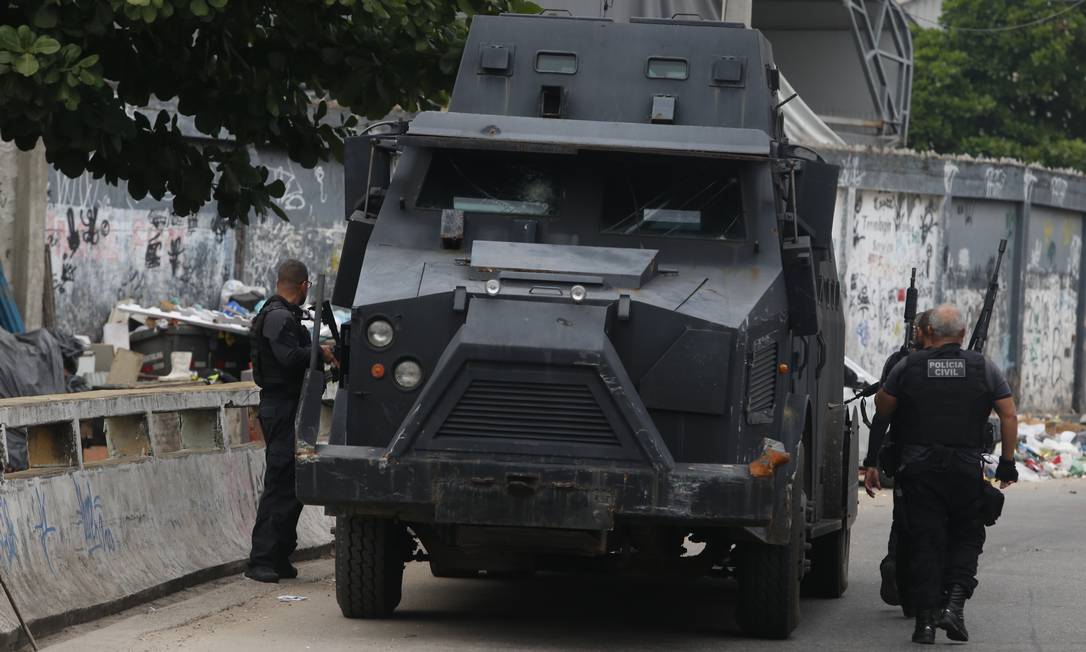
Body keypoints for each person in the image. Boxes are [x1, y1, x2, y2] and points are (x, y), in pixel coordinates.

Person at [867, 303, 1018, 644]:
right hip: (965, 470)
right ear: (963, 334)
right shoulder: (984, 367)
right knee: (967, 537)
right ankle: (953, 606)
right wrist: (1007, 463)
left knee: (924, 543)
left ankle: (924, 624)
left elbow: (883, 408)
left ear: (927, 332)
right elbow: (1008, 415)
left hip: (919, 472)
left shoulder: (907, 366)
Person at [245, 260, 337, 583]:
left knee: (293, 485)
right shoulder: (278, 317)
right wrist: (319, 352)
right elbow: (287, 358)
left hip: (289, 407)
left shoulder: (285, 316)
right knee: (279, 483)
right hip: (280, 407)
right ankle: (261, 560)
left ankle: (280, 554)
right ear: (303, 286)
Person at [864, 309, 932, 614]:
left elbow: (882, 416)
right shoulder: (962, 364)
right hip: (951, 458)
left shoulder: (900, 363)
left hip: (907, 456)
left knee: (902, 519)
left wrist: (871, 462)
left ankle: (896, 561)